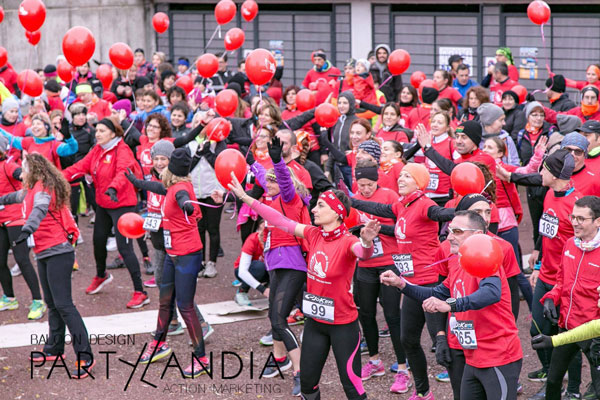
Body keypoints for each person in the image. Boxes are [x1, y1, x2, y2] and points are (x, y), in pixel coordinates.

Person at [231, 174, 379, 400]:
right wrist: (246, 198)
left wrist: (367, 242)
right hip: (315, 323)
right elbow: (280, 220)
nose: (314, 210)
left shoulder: (349, 241)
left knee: (352, 388)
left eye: (320, 206)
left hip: (343, 326)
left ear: (337, 212)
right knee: (308, 386)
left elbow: (363, 253)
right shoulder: (313, 234)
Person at [381, 210, 523, 400]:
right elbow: (436, 292)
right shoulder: (460, 263)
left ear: (477, 236)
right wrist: (401, 284)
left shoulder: (486, 262)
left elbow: (491, 293)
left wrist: (452, 305)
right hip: (472, 358)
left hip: (498, 358)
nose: (450, 237)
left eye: (457, 231)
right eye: (449, 231)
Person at [350, 163, 441, 399]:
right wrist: (352, 202)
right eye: (400, 175)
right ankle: (423, 393)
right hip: (409, 284)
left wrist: (465, 211)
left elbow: (439, 215)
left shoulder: (425, 205)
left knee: (443, 346)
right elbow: (378, 208)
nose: (401, 179)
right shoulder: (402, 205)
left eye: (407, 176)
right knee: (408, 339)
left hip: (431, 284)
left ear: (419, 182)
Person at [3, 153, 95, 378]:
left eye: (23, 170)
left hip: (58, 251)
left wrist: (27, 229)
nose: (20, 174)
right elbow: (9, 198)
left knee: (64, 305)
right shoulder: (30, 189)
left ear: (33, 171)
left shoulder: (44, 188)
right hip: (44, 252)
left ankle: (85, 355)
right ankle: (55, 348)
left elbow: (39, 209)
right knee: (53, 304)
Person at [124, 148, 209, 378]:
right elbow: (158, 188)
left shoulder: (180, 189)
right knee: (164, 299)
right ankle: (159, 343)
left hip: (187, 254)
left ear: (173, 167)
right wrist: (136, 181)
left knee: (185, 306)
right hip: (173, 253)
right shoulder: (171, 185)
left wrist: (187, 206)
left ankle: (201, 358)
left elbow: (182, 199)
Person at [62, 116, 149, 309]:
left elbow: (123, 171)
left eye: (101, 130)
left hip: (122, 204)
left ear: (113, 132)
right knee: (98, 242)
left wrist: (114, 188)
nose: (97, 134)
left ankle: (141, 292)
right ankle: (101, 275)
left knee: (125, 249)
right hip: (104, 204)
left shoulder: (122, 149)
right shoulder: (97, 150)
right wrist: (57, 178)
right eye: (97, 130)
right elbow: (79, 167)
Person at [524, 149, 583, 399]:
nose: (540, 173)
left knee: (565, 339)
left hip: (566, 282)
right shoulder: (549, 194)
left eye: (544, 169)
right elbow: (547, 233)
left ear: (556, 174)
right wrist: (537, 266)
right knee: (536, 330)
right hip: (545, 276)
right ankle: (551, 376)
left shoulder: (577, 205)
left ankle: (571, 390)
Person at [531, 195, 600, 400]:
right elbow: (561, 279)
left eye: (581, 218)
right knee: (553, 381)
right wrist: (552, 297)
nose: (575, 223)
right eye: (573, 217)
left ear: (598, 221)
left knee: (598, 390)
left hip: (593, 333)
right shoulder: (570, 243)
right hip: (567, 326)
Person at [351, 160, 410, 394]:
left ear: (377, 180)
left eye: (369, 184)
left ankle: (404, 368)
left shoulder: (389, 196)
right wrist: (360, 231)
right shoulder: (355, 198)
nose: (365, 189)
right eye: (361, 184)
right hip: (365, 262)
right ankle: (375, 361)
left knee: (393, 315)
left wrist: (376, 229)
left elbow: (401, 228)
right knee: (365, 313)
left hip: (389, 262)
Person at [0, 136, 44, 320]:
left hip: (16, 218)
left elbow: (26, 178)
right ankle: (10, 298)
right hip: (1, 219)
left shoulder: (7, 165)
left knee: (22, 259)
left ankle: (38, 301)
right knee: (0, 261)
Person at [0, 113, 78, 170]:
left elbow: (72, 149)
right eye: (33, 124)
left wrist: (68, 137)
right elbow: (11, 139)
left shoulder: (54, 144)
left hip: (50, 185)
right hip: (32, 185)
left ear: (46, 127)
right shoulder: (29, 141)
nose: (35, 126)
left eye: (38, 124)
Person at [233, 219, 268, 306]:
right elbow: (242, 272)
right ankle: (242, 292)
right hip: (245, 270)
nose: (263, 237)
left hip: (267, 270)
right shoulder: (252, 240)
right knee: (259, 266)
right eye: (261, 232)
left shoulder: (276, 241)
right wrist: (262, 289)